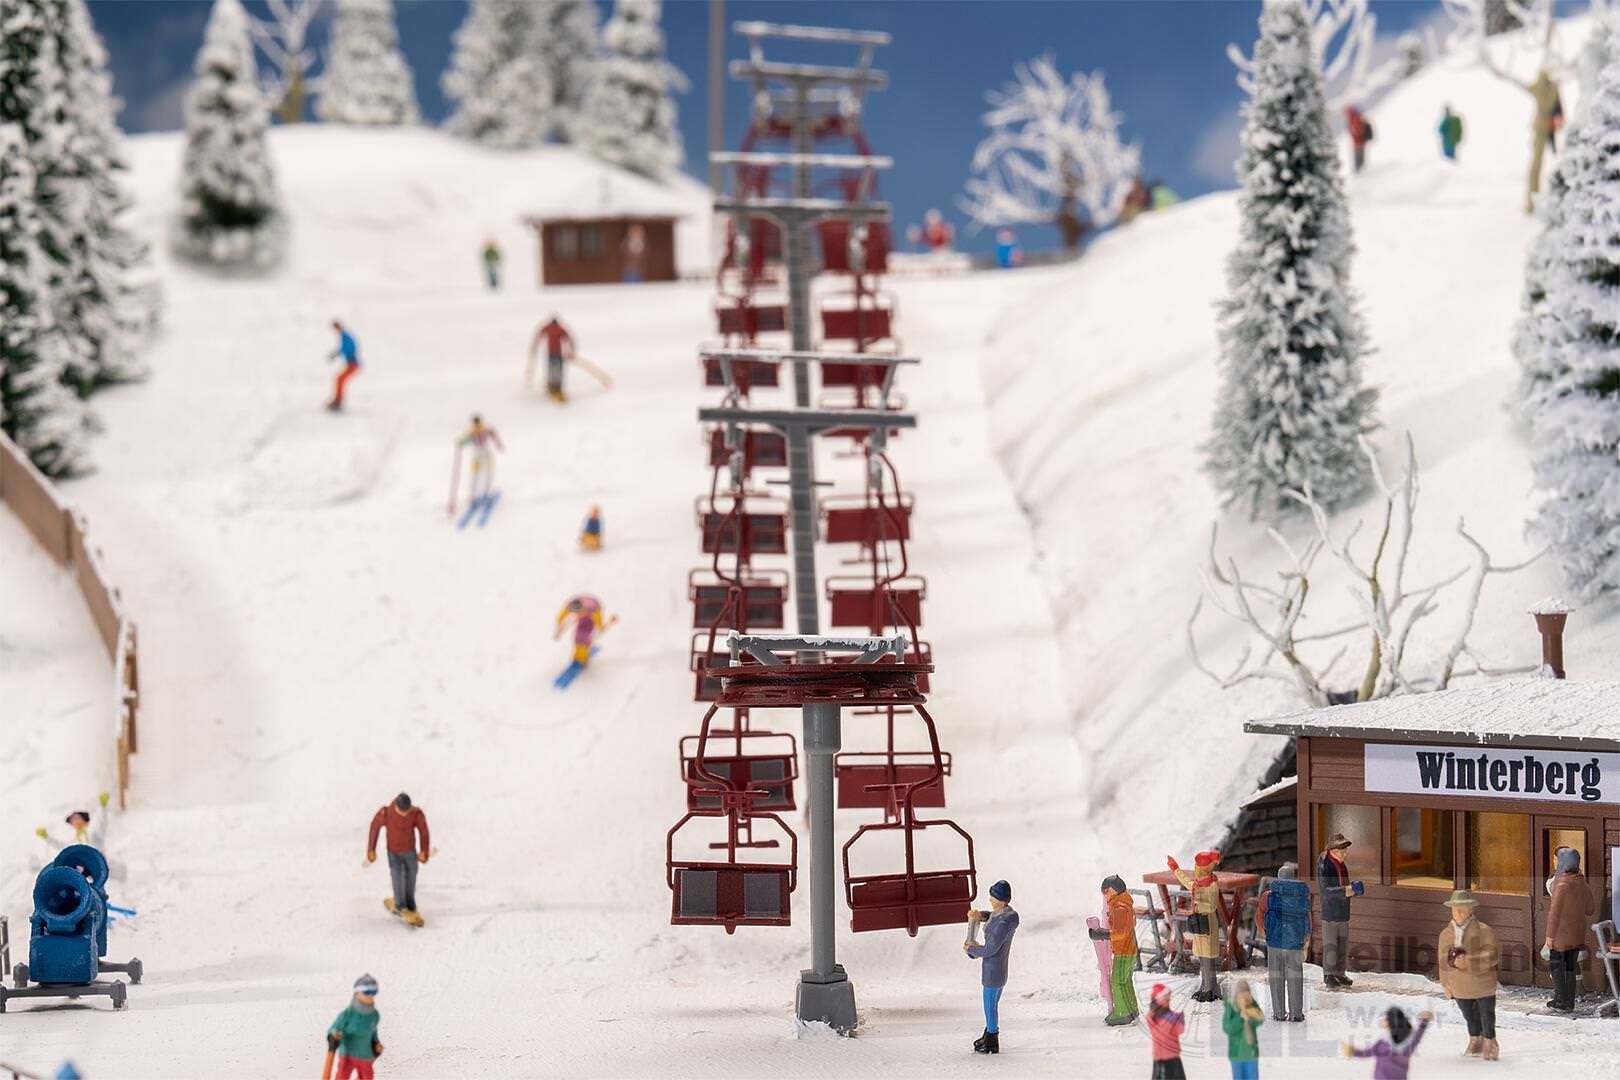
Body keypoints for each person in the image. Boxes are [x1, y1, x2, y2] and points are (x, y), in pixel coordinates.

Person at [1437, 889, 1500, 1060]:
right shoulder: (1446, 934)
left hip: (1482, 983)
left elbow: (1492, 955)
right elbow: (1442, 961)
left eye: (1462, 908)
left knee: (1486, 1013)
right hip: (1458, 984)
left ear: (1471, 909)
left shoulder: (1484, 931)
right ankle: (1475, 1038)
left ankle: (1489, 1040)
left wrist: (1469, 961)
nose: (1458, 912)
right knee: (1469, 1014)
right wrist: (1445, 984)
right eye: (1455, 908)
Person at [964, 879, 1018, 1054]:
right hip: (999, 969)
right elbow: (994, 916)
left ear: (1001, 900)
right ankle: (988, 1034)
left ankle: (992, 1039)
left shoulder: (1002, 924)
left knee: (989, 1007)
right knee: (992, 1005)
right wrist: (981, 915)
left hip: (992, 971)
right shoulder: (1006, 915)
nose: (990, 900)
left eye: (993, 898)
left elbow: (990, 949)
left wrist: (972, 950)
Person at [1167, 850, 1224, 1001]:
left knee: (1208, 958)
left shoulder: (1212, 885)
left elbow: (1212, 906)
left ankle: (1209, 988)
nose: (1196, 868)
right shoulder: (1199, 883)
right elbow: (1187, 882)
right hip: (1200, 922)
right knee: (1202, 957)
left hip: (1207, 923)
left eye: (1198, 866)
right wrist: (1176, 869)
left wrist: (1197, 904)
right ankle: (1206, 986)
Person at [367, 793, 430, 927]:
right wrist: (371, 849)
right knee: (396, 875)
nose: (404, 814)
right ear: (396, 806)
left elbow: (424, 831)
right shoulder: (386, 813)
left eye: (407, 811)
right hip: (393, 852)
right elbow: (374, 827)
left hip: (410, 851)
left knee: (412, 873)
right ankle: (399, 905)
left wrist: (424, 851)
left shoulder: (415, 813)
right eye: (402, 811)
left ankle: (410, 902)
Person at [1544, 846, 1595, 1013]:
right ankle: (1569, 1002)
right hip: (1577, 933)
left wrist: (1550, 936)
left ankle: (1561, 1000)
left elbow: (1554, 913)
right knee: (1570, 968)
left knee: (1557, 967)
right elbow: (1590, 909)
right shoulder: (1582, 883)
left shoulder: (1561, 884)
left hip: (1561, 934)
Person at [1259, 862, 1309, 1021]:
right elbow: (1307, 920)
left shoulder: (1268, 896)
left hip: (1274, 942)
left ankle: (1279, 1013)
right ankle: (1296, 1014)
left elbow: (1259, 915)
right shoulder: (1300, 896)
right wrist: (1305, 940)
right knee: (1295, 978)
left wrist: (1264, 932)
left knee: (1276, 977)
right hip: (1294, 943)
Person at [1089, 874, 1139, 1025]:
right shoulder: (1123, 903)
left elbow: (1120, 932)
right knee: (1125, 980)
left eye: (1105, 891)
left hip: (1124, 950)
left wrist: (1102, 934)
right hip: (1127, 948)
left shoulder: (1120, 907)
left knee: (1118, 981)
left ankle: (1122, 1012)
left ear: (1113, 890)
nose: (1104, 895)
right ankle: (1131, 1008)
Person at [1318, 832, 1362, 987]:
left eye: (1345, 850)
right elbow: (1325, 891)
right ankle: (1329, 974)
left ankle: (1340, 972)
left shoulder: (1342, 865)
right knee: (1331, 944)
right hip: (1331, 913)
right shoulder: (1325, 865)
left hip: (1343, 911)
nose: (1344, 854)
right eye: (1341, 851)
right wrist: (1347, 890)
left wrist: (1353, 890)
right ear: (1332, 851)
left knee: (1342, 944)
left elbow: (1344, 885)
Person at [1344, 1007, 1431, 1079]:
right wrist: (1425, 1020)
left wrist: (1353, 1052)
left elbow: (1368, 1052)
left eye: (1386, 1019)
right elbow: (1419, 1033)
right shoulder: (1406, 1043)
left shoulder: (1386, 1043)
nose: (1384, 1021)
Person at [327, 974, 384, 1079]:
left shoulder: (374, 1015)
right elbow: (334, 1028)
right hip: (347, 1054)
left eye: (374, 992)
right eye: (367, 992)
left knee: (367, 1077)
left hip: (365, 1055)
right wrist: (333, 1036)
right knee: (342, 1076)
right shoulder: (347, 1014)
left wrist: (376, 1043)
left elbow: (373, 1032)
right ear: (357, 993)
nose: (370, 996)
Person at [454, 414, 504, 512]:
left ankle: (485, 494)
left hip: (485, 453)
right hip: (478, 454)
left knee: (487, 473)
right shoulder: (472, 431)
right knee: (477, 475)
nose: (477, 424)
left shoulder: (483, 429)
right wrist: (460, 443)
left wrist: (498, 444)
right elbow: (466, 440)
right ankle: (476, 496)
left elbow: (493, 435)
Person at [1222, 979, 1265, 1079]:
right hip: (1236, 1054)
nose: (1244, 996)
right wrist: (1240, 1018)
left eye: (1247, 991)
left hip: (1251, 1053)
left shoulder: (1251, 1004)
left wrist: (1251, 1016)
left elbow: (1260, 1020)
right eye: (1241, 992)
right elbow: (1227, 1028)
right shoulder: (1231, 1007)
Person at [528, 315, 576, 402]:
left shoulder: (559, 329)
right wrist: (534, 347)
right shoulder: (550, 328)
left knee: (558, 370)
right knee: (552, 369)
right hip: (551, 353)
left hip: (559, 353)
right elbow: (539, 336)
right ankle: (552, 385)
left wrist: (571, 351)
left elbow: (570, 339)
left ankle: (557, 387)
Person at [1145, 983, 1186, 1079]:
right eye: (1165, 998)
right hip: (1162, 1057)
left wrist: (1180, 1020)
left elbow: (1179, 1030)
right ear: (1158, 1000)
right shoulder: (1153, 1016)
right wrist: (1172, 1019)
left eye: (1168, 998)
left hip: (1173, 1055)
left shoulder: (1169, 1014)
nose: (1168, 1000)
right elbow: (1161, 1031)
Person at [327, 320, 361, 412]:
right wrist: (336, 354)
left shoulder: (345, 336)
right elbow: (344, 348)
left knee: (340, 379)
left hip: (353, 364)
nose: (335, 330)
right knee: (339, 380)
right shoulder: (344, 336)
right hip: (352, 363)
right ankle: (338, 400)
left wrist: (336, 354)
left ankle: (338, 401)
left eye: (335, 328)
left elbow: (348, 347)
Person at [1345, 105, 1372, 173]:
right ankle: (1360, 171)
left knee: (1358, 158)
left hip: (1358, 142)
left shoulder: (1354, 119)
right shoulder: (1355, 118)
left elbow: (1357, 131)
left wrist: (1357, 135)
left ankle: (1360, 173)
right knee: (1360, 157)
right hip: (1359, 142)